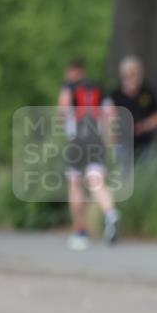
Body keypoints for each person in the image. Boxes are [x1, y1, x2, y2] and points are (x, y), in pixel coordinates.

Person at [57, 58, 121, 249]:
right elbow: (112, 114)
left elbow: (63, 109)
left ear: (73, 71)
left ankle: (79, 232)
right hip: (96, 139)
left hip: (77, 138)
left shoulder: (68, 87)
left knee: (75, 185)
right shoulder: (99, 88)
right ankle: (111, 213)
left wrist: (62, 123)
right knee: (97, 182)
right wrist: (109, 136)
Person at [109, 55, 157, 163]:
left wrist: (146, 125)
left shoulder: (148, 92)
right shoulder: (116, 95)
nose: (132, 78)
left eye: (135, 74)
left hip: (146, 144)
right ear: (122, 75)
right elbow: (110, 119)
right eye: (128, 74)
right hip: (123, 143)